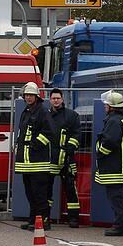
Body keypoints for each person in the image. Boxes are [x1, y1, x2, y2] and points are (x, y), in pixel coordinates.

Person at [14, 81, 53, 231]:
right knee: (30, 194)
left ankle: (43, 221)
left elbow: (49, 132)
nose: (28, 98)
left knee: (40, 194)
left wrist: (34, 146)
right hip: (26, 163)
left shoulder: (43, 111)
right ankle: (33, 220)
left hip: (38, 162)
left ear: (37, 97)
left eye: (31, 95)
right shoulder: (26, 111)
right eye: (27, 95)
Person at [95, 90, 123, 236]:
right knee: (116, 196)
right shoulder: (119, 119)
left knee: (116, 197)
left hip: (113, 166)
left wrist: (100, 153)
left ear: (112, 106)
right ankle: (119, 224)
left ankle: (120, 226)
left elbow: (110, 141)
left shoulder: (114, 121)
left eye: (107, 105)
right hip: (116, 165)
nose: (105, 107)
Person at [48, 88, 81, 228]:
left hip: (67, 159)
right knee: (46, 189)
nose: (56, 100)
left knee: (70, 189)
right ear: (50, 100)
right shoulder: (45, 115)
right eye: (53, 98)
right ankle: (44, 217)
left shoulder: (72, 115)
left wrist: (69, 148)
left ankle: (73, 219)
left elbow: (77, 134)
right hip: (50, 159)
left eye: (58, 98)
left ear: (62, 99)